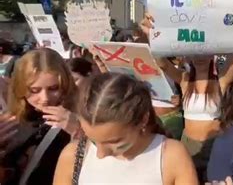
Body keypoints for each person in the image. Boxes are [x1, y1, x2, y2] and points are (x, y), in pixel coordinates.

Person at [149, 13, 233, 182]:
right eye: (196, 54)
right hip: (188, 144)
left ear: (212, 55)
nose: (200, 58)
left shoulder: (221, 81)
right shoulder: (184, 80)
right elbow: (162, 64)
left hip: (214, 144)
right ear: (189, 56)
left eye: (204, 53)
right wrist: (154, 35)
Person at [53, 73, 198, 185]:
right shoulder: (72, 156)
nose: (100, 154)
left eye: (115, 142)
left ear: (143, 120)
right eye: (93, 140)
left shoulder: (171, 156)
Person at [3, 48, 79, 185]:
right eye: (35, 90)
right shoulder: (12, 122)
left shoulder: (79, 117)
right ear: (20, 87)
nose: (44, 98)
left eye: (53, 88)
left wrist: (79, 131)